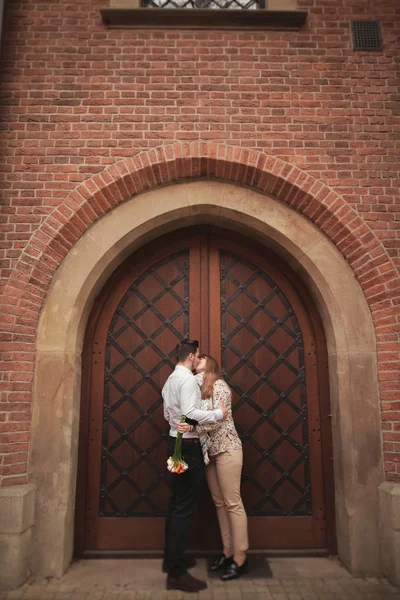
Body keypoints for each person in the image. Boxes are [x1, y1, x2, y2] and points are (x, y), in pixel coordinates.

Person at [162, 340, 229, 593]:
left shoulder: (170, 379)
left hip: (174, 442)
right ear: (191, 356)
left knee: (175, 505)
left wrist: (180, 422)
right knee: (183, 509)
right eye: (197, 355)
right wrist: (218, 415)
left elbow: (169, 415)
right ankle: (177, 574)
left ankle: (172, 561)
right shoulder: (188, 380)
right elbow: (190, 413)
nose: (198, 358)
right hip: (187, 447)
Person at [178, 354, 249, 581]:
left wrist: (191, 422)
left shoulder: (219, 386)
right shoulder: (197, 388)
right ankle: (227, 552)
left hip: (227, 449)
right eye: (195, 358)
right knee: (220, 504)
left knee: (232, 502)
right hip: (210, 452)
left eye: (202, 358)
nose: (197, 359)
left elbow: (217, 418)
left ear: (212, 365)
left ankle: (240, 557)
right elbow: (196, 414)